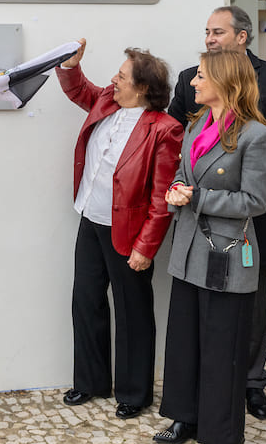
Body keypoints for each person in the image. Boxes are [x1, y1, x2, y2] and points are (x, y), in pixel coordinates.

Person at [167, 5, 266, 420]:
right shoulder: (191, 84)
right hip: (196, 218)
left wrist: (232, 167)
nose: (210, 38)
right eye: (206, 31)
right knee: (196, 314)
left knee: (248, 304)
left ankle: (251, 382)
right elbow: (178, 137)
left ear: (241, 36)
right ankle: (202, 398)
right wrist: (185, 186)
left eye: (218, 32)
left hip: (245, 214)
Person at [153, 49, 266, 444]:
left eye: (201, 76)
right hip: (188, 249)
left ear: (224, 81)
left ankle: (223, 434)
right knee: (184, 340)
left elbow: (255, 201)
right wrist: (176, 190)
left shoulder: (256, 135)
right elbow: (183, 175)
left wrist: (197, 197)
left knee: (222, 346)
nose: (193, 82)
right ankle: (184, 417)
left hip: (224, 253)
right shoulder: (196, 125)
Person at [56, 39, 183, 419]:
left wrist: (146, 247)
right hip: (90, 219)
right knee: (86, 301)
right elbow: (78, 89)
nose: (113, 79)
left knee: (132, 311)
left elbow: (162, 198)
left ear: (142, 88)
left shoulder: (165, 129)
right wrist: (71, 65)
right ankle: (91, 381)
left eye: (122, 76)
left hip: (128, 231)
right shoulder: (106, 102)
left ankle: (134, 392)